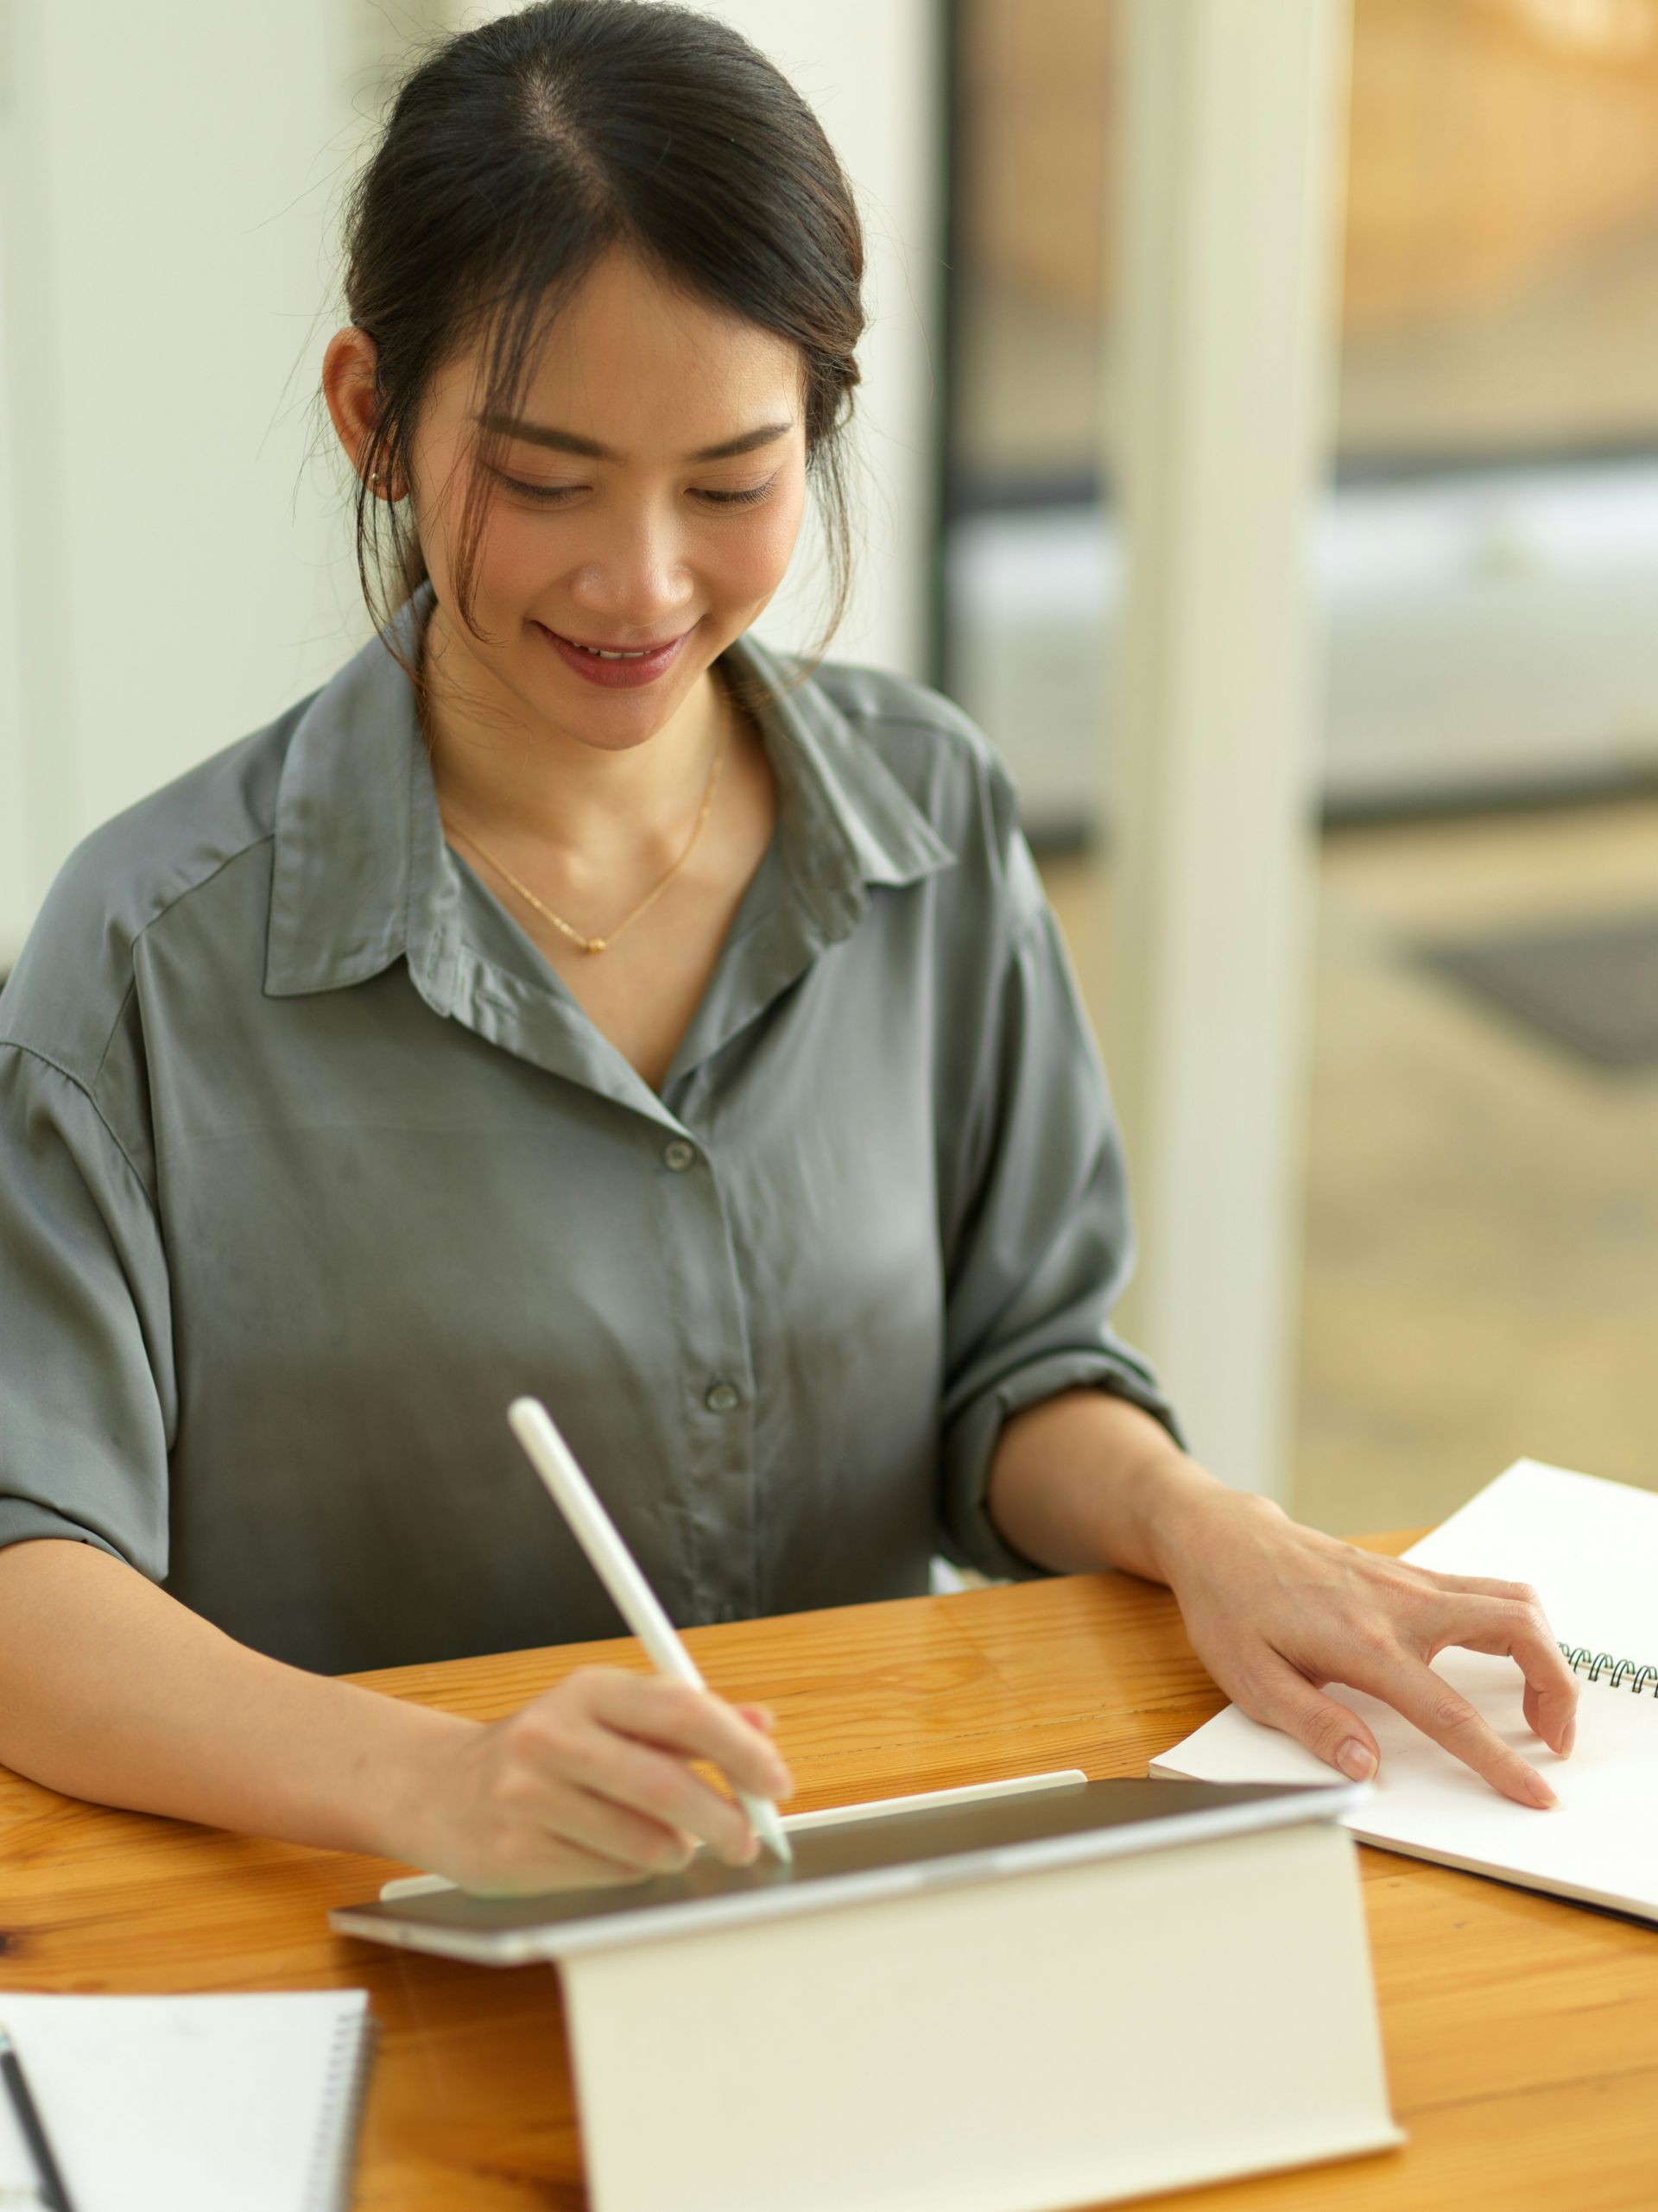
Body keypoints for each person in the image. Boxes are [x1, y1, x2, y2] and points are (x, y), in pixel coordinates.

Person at [0, 0, 1575, 1898]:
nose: (642, 582)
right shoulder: (147, 956)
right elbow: (30, 1578)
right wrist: (439, 1786)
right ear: (372, 420)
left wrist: (1195, 1519)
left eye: (732, 484)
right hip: (358, 1948)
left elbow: (1016, 1369)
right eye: (547, 478)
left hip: (847, 1906)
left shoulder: (931, 819)